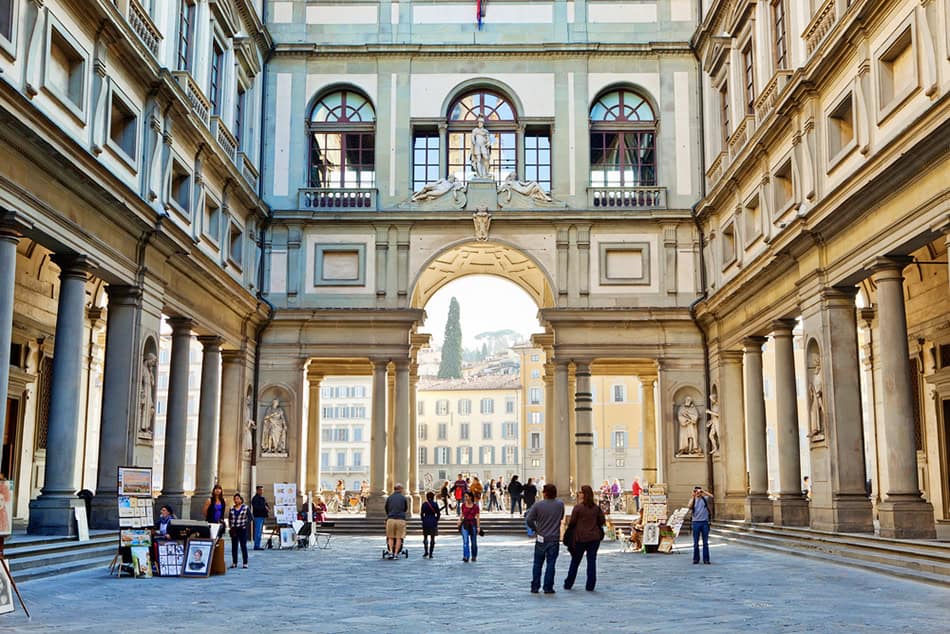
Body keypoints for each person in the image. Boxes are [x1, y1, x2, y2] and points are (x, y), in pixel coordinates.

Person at [563, 485, 606, 591]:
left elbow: (572, 522)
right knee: (591, 561)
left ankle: (569, 583)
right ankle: (590, 585)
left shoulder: (578, 508)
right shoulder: (596, 508)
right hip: (594, 538)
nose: (579, 494)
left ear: (584, 494)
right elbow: (601, 521)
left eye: (581, 492)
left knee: (575, 561)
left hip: (580, 538)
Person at [525, 483, 564, 594]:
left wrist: (535, 529)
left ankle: (535, 586)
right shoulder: (560, 504)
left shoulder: (538, 505)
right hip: (554, 538)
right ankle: (548, 587)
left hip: (541, 537)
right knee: (551, 564)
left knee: (537, 564)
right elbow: (561, 517)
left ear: (545, 493)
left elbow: (529, 520)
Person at [689, 486, 713, 564]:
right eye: (696, 491)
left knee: (705, 543)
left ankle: (706, 559)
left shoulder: (704, 499)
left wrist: (703, 491)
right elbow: (689, 506)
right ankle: (696, 559)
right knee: (696, 543)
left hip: (704, 523)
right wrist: (693, 496)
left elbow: (712, 496)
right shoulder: (693, 500)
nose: (698, 493)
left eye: (699, 491)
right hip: (695, 523)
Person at [384, 483, 409, 559]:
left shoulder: (389, 498)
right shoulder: (403, 498)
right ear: (400, 489)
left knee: (390, 537)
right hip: (400, 519)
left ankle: (390, 552)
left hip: (391, 519)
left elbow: (386, 508)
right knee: (399, 537)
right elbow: (405, 509)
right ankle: (396, 554)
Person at [457, 491, 481, 562]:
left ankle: (474, 556)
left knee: (473, 542)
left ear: (470, 497)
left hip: (473, 524)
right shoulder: (463, 505)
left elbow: (478, 517)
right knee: (465, 541)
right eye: (464, 496)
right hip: (465, 524)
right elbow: (462, 514)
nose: (465, 498)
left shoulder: (476, 507)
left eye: (466, 496)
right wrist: (459, 520)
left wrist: (478, 527)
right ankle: (466, 556)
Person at [229, 493, 251, 569]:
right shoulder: (231, 508)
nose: (236, 500)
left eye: (237, 498)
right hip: (234, 529)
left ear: (241, 499)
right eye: (235, 499)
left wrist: (246, 525)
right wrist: (230, 527)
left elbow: (251, 518)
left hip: (242, 529)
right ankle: (234, 562)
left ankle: (245, 562)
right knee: (234, 547)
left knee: (243, 546)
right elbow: (230, 518)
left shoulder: (245, 508)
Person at [420, 490, 441, 559]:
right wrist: (436, 520)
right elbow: (438, 513)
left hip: (426, 521)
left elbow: (421, 514)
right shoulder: (435, 504)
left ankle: (426, 551)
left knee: (425, 537)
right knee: (432, 538)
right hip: (433, 521)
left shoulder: (424, 504)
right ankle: (431, 553)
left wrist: (423, 519)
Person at [250, 485, 270, 550]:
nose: (261, 491)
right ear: (257, 490)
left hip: (262, 516)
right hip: (257, 516)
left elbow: (266, 505)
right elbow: (256, 507)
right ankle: (256, 545)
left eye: (262, 490)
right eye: (260, 490)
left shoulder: (263, 498)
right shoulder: (255, 498)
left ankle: (258, 544)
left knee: (260, 531)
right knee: (257, 531)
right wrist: (264, 507)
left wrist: (268, 508)